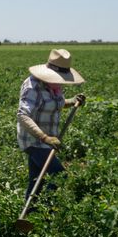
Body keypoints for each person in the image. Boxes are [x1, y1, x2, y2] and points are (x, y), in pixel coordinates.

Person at [17, 49, 86, 204]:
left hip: (47, 140)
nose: (61, 82)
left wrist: (72, 101)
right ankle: (46, 211)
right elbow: (23, 115)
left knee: (37, 180)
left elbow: (55, 104)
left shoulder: (54, 87)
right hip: (33, 141)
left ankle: (30, 214)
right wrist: (44, 137)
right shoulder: (32, 86)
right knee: (59, 175)